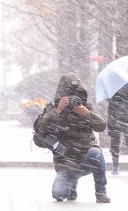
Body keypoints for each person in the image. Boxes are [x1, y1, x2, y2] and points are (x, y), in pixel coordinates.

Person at [38, 74, 110, 203]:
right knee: (58, 194)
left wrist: (87, 113)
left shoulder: (85, 106)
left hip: (86, 153)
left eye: (76, 95)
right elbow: (42, 127)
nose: (73, 99)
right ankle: (72, 183)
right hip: (65, 160)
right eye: (69, 96)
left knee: (96, 153)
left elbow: (102, 126)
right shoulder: (54, 107)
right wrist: (58, 110)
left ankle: (101, 192)